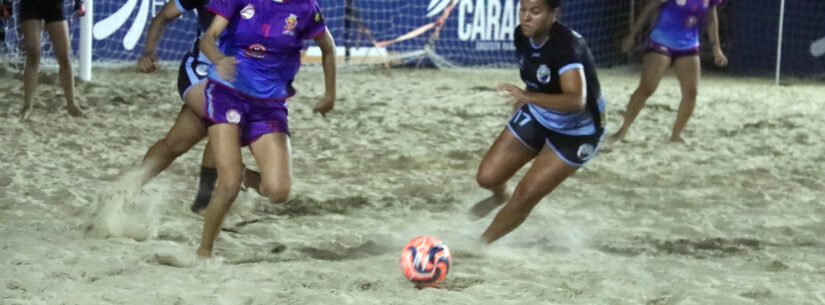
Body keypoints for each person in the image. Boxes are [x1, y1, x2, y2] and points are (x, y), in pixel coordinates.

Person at [196, 0, 337, 257]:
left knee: (278, 191)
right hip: (228, 92)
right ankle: (204, 252)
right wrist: (219, 59)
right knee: (227, 184)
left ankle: (242, 175)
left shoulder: (306, 8)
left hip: (270, 103)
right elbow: (208, 38)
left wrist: (330, 94)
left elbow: (328, 48)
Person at [469, 0, 606, 244]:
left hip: (578, 132)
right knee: (487, 178)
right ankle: (499, 195)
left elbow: (577, 100)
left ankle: (478, 246)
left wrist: (527, 97)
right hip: (540, 114)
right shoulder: (522, 36)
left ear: (554, 14)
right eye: (522, 10)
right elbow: (539, 76)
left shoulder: (567, 45)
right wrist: (526, 97)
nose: (526, 17)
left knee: (524, 196)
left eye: (535, 11)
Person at [134, 0, 261, 214]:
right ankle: (209, 198)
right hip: (201, 70)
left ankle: (127, 187)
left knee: (177, 143)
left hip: (236, 76)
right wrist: (148, 52)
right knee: (227, 117)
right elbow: (162, 16)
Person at [611, 0, 727, 143]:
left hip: (689, 44)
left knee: (691, 92)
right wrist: (633, 35)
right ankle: (623, 129)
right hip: (662, 41)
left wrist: (716, 47)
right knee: (648, 87)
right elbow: (649, 8)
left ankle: (676, 134)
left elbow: (711, 16)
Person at [18, 0, 86, 121]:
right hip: (30, 5)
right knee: (33, 54)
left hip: (55, 5)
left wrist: (79, 2)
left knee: (65, 57)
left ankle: (71, 105)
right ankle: (28, 105)